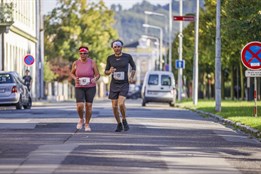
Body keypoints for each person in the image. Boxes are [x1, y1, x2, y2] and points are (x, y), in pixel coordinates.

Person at [104, 39, 136, 132]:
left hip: (124, 83)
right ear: (112, 48)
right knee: (114, 106)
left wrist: (131, 76)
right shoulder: (110, 58)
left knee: (121, 103)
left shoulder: (127, 57)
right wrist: (110, 71)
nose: (117, 48)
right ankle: (119, 124)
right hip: (114, 84)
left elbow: (133, 67)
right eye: (115, 47)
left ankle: (124, 119)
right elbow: (105, 72)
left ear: (121, 47)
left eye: (118, 46)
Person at [70, 46, 100, 132]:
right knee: (80, 106)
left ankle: (87, 124)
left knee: (88, 105)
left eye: (85, 53)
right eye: (81, 53)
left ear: (88, 54)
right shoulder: (76, 63)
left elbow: (98, 75)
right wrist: (75, 78)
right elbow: (72, 73)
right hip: (79, 86)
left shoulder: (92, 62)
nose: (83, 55)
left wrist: (95, 79)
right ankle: (81, 119)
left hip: (90, 86)